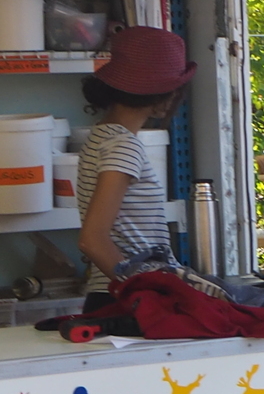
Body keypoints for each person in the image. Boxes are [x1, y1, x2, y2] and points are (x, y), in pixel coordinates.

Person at [75, 25, 191, 305]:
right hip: (121, 299)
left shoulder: (100, 137)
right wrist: (143, 293)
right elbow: (92, 239)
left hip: (113, 295)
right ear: (164, 96)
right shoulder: (123, 146)